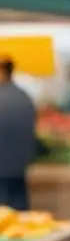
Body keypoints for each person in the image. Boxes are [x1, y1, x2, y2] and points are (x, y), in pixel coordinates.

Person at [0, 57, 37, 210]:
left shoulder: (3, 98)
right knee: (19, 209)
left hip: (3, 166)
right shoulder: (24, 96)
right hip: (20, 165)